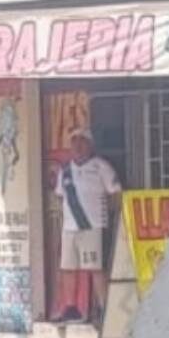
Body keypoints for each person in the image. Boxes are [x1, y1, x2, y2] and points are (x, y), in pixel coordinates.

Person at [50, 129, 121, 326]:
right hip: (70, 228)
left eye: (82, 141)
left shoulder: (101, 167)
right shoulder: (64, 171)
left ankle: (104, 309)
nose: (78, 146)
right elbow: (58, 197)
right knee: (67, 267)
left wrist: (113, 217)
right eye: (74, 141)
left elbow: (115, 194)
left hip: (93, 226)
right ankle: (70, 308)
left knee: (95, 268)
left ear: (90, 145)